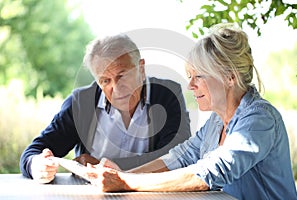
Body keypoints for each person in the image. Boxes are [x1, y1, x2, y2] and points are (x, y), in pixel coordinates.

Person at [84, 23, 297, 200]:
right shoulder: (216, 121)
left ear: (229, 77)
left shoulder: (259, 120)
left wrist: (125, 182)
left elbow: (208, 174)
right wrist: (122, 176)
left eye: (199, 76)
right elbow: (182, 157)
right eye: (190, 77)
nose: (190, 86)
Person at [20, 34, 191, 184]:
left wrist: (104, 165)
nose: (116, 89)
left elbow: (177, 154)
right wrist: (37, 165)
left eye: (122, 75)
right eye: (105, 81)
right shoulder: (80, 103)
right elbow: (33, 152)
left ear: (141, 68)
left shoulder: (168, 95)